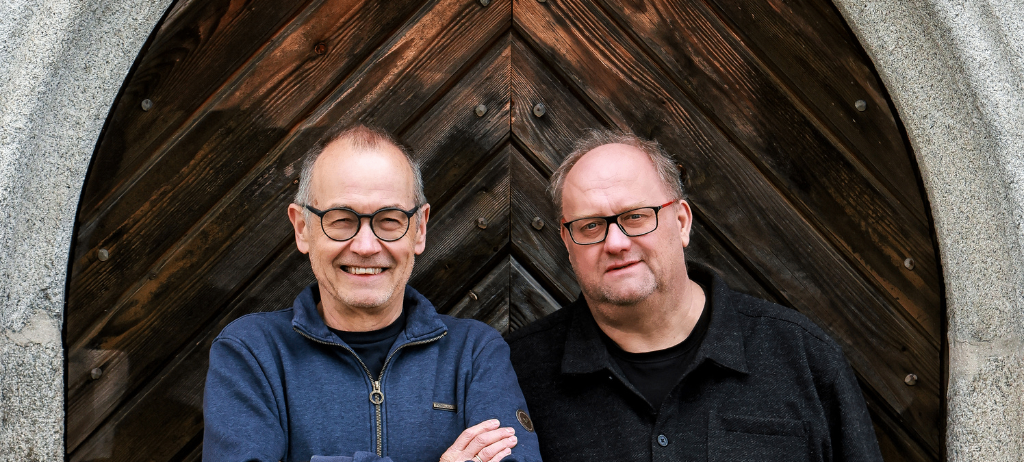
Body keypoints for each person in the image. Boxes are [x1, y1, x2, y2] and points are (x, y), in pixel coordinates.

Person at [507, 130, 883, 461]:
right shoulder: (514, 374)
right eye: (590, 226)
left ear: (682, 222)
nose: (616, 243)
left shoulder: (803, 358)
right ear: (567, 242)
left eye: (636, 216)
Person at [204, 125, 541, 462]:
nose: (366, 246)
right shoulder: (251, 353)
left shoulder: (475, 353)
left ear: (419, 229)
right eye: (341, 219)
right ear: (302, 228)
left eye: (389, 220)